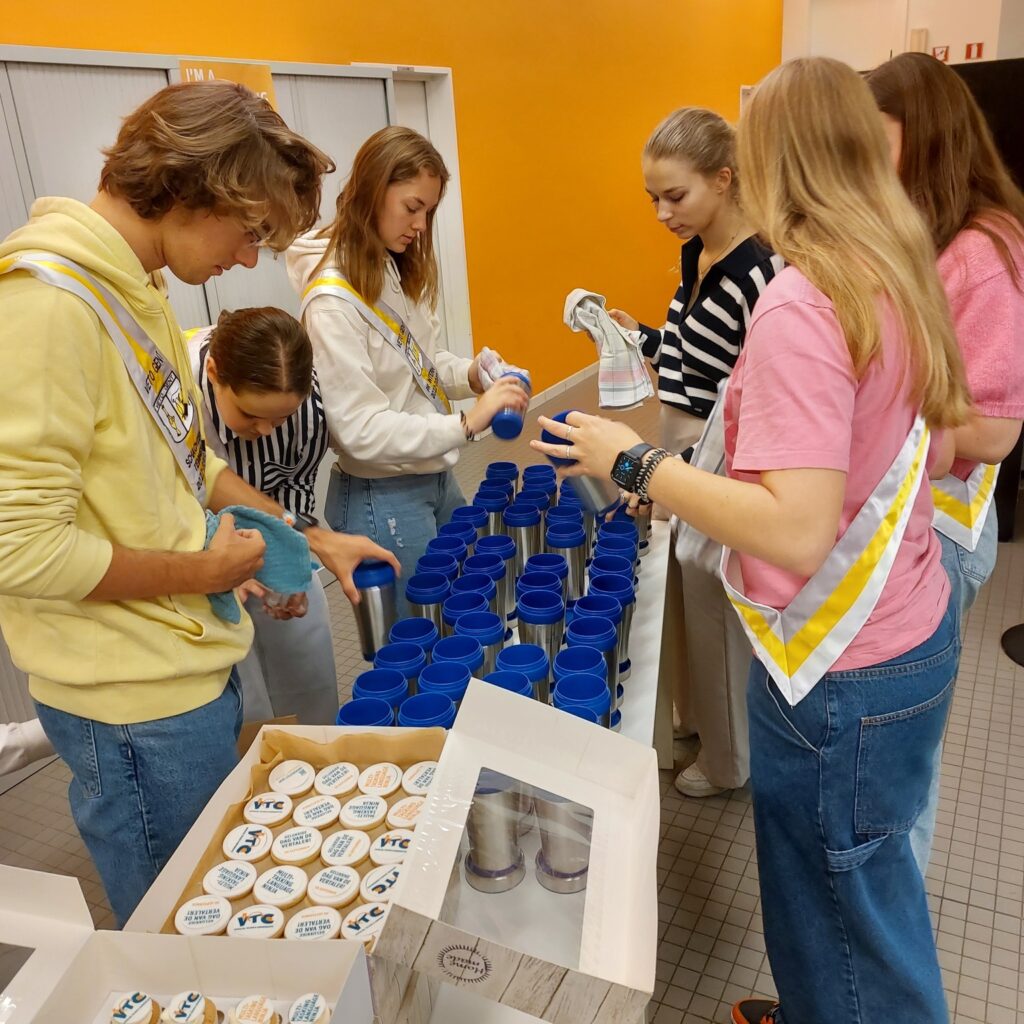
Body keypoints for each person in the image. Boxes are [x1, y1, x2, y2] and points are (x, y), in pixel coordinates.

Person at [534, 57, 968, 1024]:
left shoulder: (803, 302)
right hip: (909, 625)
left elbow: (796, 529)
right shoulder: (894, 266)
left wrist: (634, 463)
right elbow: (932, 450)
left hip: (839, 666)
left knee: (843, 915)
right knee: (859, 898)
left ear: (762, 164)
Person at [0, 81, 393, 925]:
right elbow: (19, 548)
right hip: (133, 704)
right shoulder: (49, 307)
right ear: (193, 189)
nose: (249, 261)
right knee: (180, 928)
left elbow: (188, 458)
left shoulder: (131, 289)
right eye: (250, 232)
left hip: (181, 672)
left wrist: (306, 535)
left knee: (216, 906)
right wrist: (200, 571)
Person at [867, 52, 1024, 874]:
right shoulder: (929, 234)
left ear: (924, 135)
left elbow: (993, 431)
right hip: (910, 515)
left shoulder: (983, 249)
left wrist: (875, 408)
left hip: (947, 527)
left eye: (877, 141)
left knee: (900, 765)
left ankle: (891, 936)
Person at [602, 108, 783, 797]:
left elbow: (760, 394)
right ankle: (697, 720)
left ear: (724, 179)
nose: (661, 214)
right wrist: (643, 337)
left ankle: (731, 757)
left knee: (714, 611)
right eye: (653, 198)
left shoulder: (759, 271)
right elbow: (691, 356)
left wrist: (686, 471)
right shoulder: (696, 251)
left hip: (722, 455)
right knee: (678, 593)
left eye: (674, 196)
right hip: (679, 442)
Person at [286, 126, 528, 613]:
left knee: (460, 614)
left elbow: (420, 365)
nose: (419, 225)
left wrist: (472, 375)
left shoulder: (387, 263)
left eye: (428, 212)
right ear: (373, 190)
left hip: (431, 475)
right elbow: (359, 430)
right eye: (412, 207)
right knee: (416, 637)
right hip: (382, 496)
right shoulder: (331, 302)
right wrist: (466, 422)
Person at [186, 307, 338, 725]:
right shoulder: (180, 394)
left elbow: (294, 490)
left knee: (307, 675)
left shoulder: (309, 408)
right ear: (214, 374)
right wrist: (224, 561)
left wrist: (289, 567)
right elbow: (178, 501)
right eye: (250, 415)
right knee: (242, 695)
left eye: (281, 419)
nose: (266, 430)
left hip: (268, 533)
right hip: (198, 557)